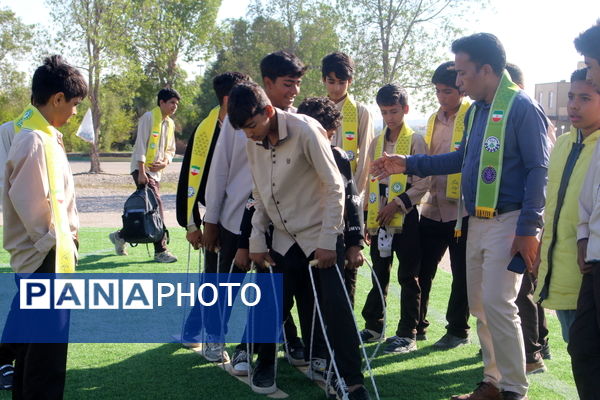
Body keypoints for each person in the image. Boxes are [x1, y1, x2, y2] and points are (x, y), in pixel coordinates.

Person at [370, 33, 549, 400]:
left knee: (499, 302)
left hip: (510, 220)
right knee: (481, 304)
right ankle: (493, 382)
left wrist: (529, 227)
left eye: (463, 73)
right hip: (475, 219)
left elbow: (538, 169)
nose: (459, 81)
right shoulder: (480, 112)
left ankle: (515, 389)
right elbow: (459, 160)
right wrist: (407, 162)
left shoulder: (521, 107)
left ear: (486, 69)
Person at [228, 82, 369, 400]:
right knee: (268, 305)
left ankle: (351, 381)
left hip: (319, 236)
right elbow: (260, 194)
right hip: (280, 238)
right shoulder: (253, 142)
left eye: (252, 126)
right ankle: (264, 365)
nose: (249, 135)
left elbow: (336, 186)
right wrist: (256, 239)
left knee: (337, 312)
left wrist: (329, 237)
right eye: (243, 131)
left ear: (267, 112)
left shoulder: (306, 130)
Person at [3, 55, 87, 399]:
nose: (75, 112)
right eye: (74, 104)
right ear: (56, 99)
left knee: (33, 351)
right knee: (46, 356)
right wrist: (57, 244)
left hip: (47, 258)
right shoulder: (34, 139)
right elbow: (33, 206)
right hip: (46, 260)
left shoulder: (40, 133)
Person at [176, 72, 252, 366]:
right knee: (217, 283)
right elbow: (188, 181)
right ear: (227, 99)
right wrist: (193, 224)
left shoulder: (245, 125)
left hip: (243, 214)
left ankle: (193, 329)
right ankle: (211, 336)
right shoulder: (205, 131)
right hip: (214, 220)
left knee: (219, 282)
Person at [360, 84, 429, 354]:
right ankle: (374, 326)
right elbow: (370, 179)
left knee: (408, 275)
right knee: (379, 271)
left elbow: (424, 182)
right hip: (380, 216)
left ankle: (407, 333)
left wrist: (398, 204)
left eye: (394, 111)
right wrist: (369, 217)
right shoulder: (378, 142)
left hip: (407, 216)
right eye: (385, 112)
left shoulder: (415, 140)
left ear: (406, 110)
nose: (389, 117)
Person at [418, 61, 471, 350]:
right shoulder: (432, 120)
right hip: (431, 206)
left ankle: (457, 331)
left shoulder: (472, 118)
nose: (442, 97)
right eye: (438, 91)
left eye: (447, 91)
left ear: (461, 89)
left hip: (461, 211)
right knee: (422, 270)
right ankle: (417, 324)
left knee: (461, 275)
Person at [504, 62, 551, 374]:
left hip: (528, 218)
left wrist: (530, 224)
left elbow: (540, 173)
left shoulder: (527, 115)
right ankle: (538, 345)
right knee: (526, 288)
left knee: (522, 290)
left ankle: (531, 355)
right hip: (525, 217)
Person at [109, 88, 179, 263]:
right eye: (171, 102)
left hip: (156, 173)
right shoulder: (149, 117)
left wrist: (165, 162)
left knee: (147, 211)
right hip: (142, 171)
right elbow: (140, 144)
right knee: (156, 208)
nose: (174, 106)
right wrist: (141, 171)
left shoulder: (170, 124)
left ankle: (121, 236)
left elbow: (171, 150)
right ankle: (160, 251)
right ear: (161, 102)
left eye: (176, 104)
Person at [570, 21, 600, 400]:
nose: (591, 75)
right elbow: (588, 197)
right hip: (594, 261)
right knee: (583, 347)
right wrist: (583, 237)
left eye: (592, 65)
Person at [321, 52, 375, 197]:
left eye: (342, 82)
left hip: (349, 188)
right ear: (323, 80)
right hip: (319, 190)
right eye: (331, 82)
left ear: (350, 81)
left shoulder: (361, 112)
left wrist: (352, 194)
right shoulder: (316, 110)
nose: (336, 88)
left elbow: (365, 158)